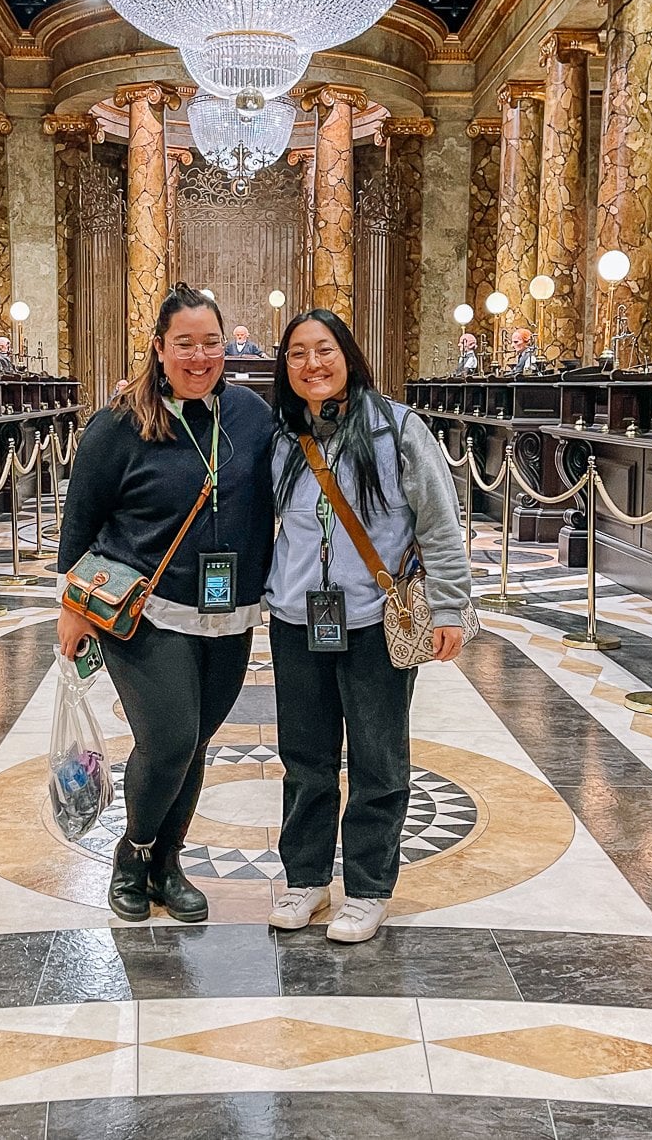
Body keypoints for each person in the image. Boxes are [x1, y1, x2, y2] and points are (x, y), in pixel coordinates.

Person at [56, 283, 275, 924]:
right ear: (159, 347)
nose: (200, 356)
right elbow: (80, 523)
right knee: (170, 738)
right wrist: (72, 607)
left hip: (227, 611)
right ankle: (133, 854)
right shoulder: (120, 424)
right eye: (185, 343)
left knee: (196, 742)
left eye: (211, 343)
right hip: (145, 612)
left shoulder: (249, 417)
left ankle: (167, 866)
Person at [265, 309, 475, 944]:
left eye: (323, 350)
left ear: (348, 355)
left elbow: (438, 522)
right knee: (305, 756)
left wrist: (449, 606)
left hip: (375, 621)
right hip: (296, 617)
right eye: (297, 354)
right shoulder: (281, 438)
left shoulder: (397, 428)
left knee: (379, 759)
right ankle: (304, 878)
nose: (312, 365)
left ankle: (367, 887)